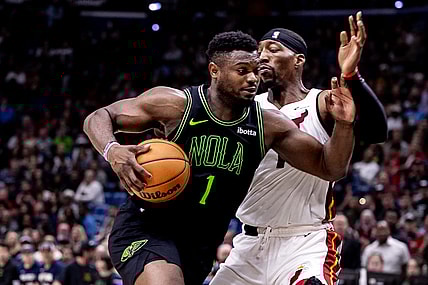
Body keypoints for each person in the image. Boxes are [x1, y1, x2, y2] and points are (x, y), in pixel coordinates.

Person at [84, 31, 356, 285]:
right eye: (242, 71)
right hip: (148, 227)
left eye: (255, 71)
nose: (253, 78)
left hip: (200, 244)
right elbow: (99, 117)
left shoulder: (268, 125)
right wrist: (113, 150)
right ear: (214, 71)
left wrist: (344, 126)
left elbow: (329, 167)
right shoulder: (176, 105)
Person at [211, 12, 387, 285]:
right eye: (258, 51)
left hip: (305, 240)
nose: (262, 56)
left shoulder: (321, 101)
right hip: (249, 243)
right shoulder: (245, 107)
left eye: (272, 49)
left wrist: (351, 76)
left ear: (298, 60)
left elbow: (377, 131)